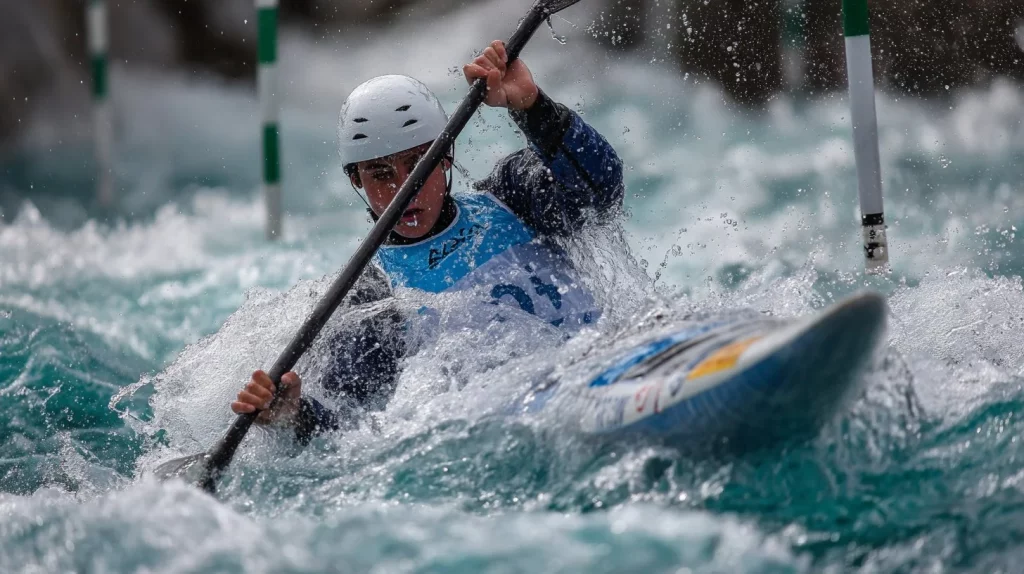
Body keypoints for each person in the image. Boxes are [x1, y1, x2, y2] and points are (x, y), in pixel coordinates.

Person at [231, 40, 624, 442]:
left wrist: (533, 107)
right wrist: (296, 416)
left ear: (447, 155)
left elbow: (600, 192)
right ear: (356, 181)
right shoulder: (374, 299)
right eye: (381, 174)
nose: (406, 188)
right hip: (534, 425)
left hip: (611, 362)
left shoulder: (511, 196)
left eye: (419, 164)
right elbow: (353, 434)